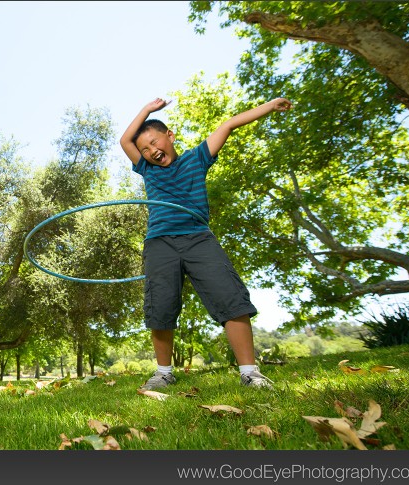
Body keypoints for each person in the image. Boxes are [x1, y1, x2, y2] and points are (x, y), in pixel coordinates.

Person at [119, 96, 292, 391]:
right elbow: (125, 141)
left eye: (154, 142)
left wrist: (270, 106)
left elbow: (230, 124)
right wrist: (146, 110)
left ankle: (250, 372)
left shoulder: (197, 158)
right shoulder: (147, 170)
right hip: (160, 242)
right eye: (145, 149)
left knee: (230, 297)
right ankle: (163, 373)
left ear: (170, 135)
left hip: (199, 238)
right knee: (160, 306)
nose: (151, 151)